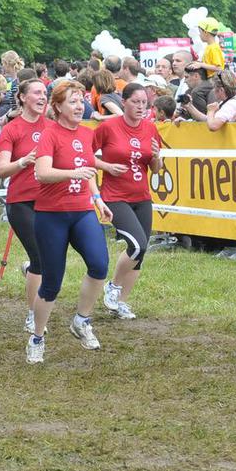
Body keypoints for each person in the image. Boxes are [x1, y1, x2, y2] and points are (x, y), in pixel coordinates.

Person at [26, 81, 113, 365]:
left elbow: (88, 171)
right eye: (73, 102)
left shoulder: (87, 134)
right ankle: (37, 338)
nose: (79, 106)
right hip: (51, 214)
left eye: (81, 101)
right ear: (58, 106)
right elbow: (42, 172)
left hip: (82, 211)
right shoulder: (49, 134)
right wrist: (72, 173)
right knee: (52, 283)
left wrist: (98, 199)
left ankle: (81, 320)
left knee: (99, 265)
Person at [93, 83, 162, 321]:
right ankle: (112, 286)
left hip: (141, 196)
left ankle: (121, 302)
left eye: (144, 103)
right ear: (124, 102)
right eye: (136, 102)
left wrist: (157, 157)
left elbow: (155, 168)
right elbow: (84, 155)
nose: (141, 107)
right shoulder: (109, 127)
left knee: (140, 254)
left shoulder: (150, 128)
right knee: (137, 245)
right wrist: (107, 166)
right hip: (115, 196)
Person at [0, 79, 52, 334]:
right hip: (21, 202)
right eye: (37, 93)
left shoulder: (52, 127)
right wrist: (23, 161)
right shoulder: (12, 129)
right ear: (23, 98)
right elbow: (2, 170)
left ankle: (30, 271)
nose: (42, 97)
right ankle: (33, 315)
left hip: (50, 201)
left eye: (45, 93)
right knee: (40, 257)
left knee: (49, 259)